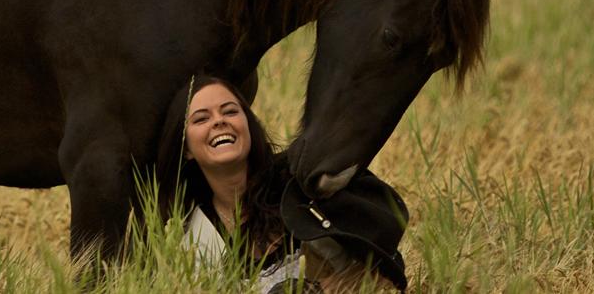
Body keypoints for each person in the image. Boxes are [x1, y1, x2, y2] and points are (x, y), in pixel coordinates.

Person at [155, 74, 409, 292]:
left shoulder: (300, 181)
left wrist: (337, 284)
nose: (219, 121)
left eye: (230, 111)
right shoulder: (193, 238)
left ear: (248, 125)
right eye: (201, 119)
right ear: (186, 149)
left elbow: (386, 248)